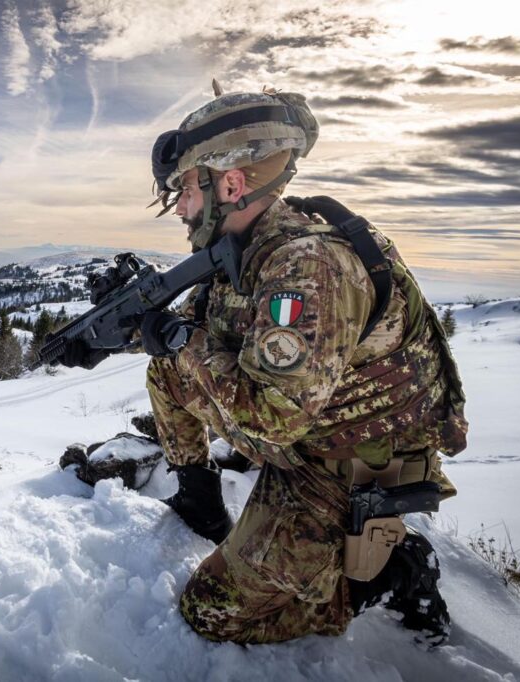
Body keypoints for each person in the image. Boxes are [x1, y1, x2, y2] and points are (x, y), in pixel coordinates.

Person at [63, 85, 468, 645]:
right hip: (310, 426)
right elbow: (204, 336)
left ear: (230, 183)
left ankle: (382, 577)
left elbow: (270, 418)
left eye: (183, 189)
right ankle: (199, 498)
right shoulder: (248, 248)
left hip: (351, 463)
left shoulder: (308, 267)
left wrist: (179, 338)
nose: (179, 207)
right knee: (167, 372)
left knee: (210, 610)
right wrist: (125, 336)